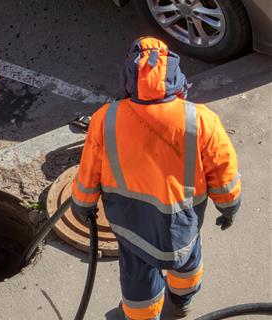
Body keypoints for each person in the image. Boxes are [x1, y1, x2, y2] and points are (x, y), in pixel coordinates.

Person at [71, 37, 240, 319]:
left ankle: (141, 316)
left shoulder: (106, 118)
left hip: (132, 224)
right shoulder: (200, 119)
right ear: (176, 77)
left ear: (127, 76)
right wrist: (229, 207)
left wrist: (82, 203)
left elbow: (90, 170)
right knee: (187, 263)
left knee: (139, 279)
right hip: (182, 224)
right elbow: (223, 170)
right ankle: (181, 303)